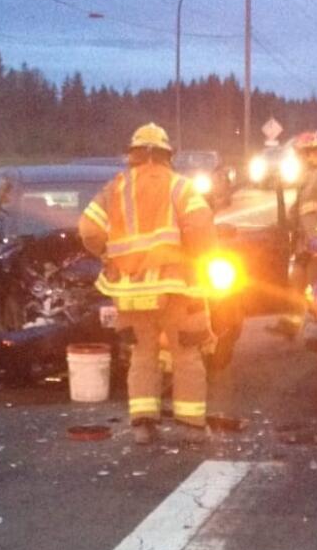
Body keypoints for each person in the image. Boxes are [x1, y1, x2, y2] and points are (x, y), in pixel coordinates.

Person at [78, 123, 216, 444]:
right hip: (175, 289)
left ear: (134, 155)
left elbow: (88, 230)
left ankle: (142, 425)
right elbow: (201, 228)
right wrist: (195, 258)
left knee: (142, 355)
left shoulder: (114, 189)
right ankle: (191, 426)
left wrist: (107, 255)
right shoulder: (180, 187)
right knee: (186, 354)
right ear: (168, 155)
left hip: (129, 293)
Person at [279, 130, 317, 336]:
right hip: (306, 245)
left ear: (311, 153)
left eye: (300, 155)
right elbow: (299, 211)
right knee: (296, 280)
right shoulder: (307, 178)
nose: (298, 159)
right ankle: (292, 324)